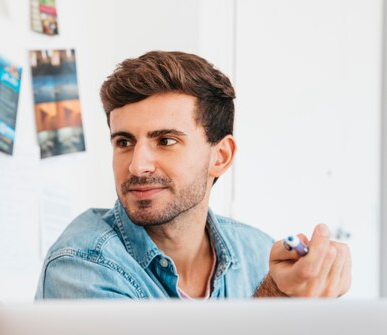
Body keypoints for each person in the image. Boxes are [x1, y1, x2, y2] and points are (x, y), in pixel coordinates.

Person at [36, 51, 351, 300]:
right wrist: (273, 303)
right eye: (124, 142)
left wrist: (318, 299)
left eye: (166, 141)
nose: (136, 166)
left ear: (220, 156)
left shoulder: (258, 254)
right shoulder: (82, 264)